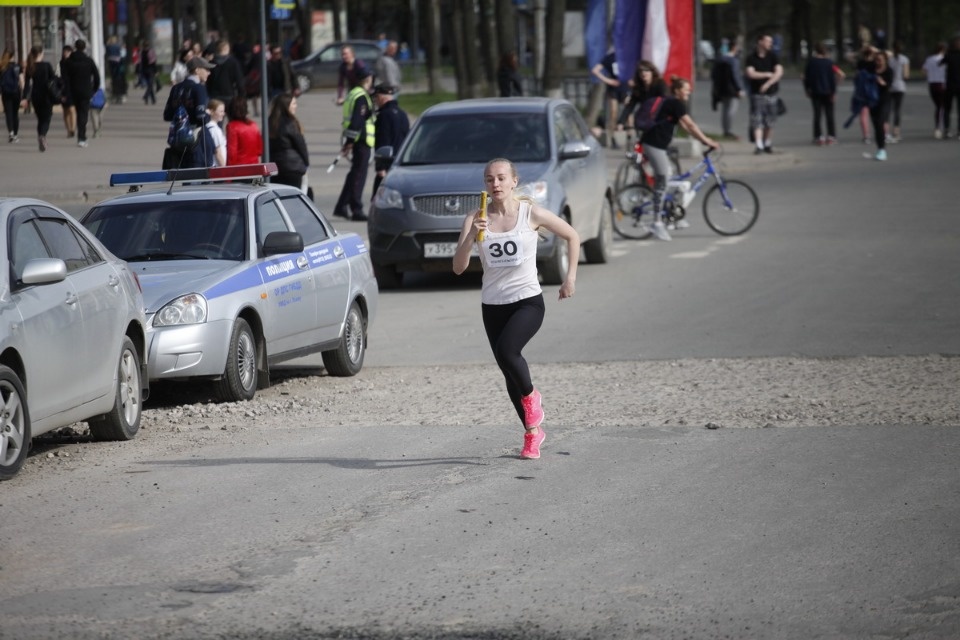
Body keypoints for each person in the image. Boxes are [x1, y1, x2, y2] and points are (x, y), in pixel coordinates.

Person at [451, 158, 580, 460]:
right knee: (509, 372)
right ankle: (533, 433)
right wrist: (470, 237)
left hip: (527, 301)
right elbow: (458, 268)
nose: (495, 184)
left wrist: (570, 278)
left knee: (508, 352)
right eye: (489, 179)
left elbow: (572, 236)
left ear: (513, 181)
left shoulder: (530, 213)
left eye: (500, 178)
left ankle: (532, 397)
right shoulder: (475, 218)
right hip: (493, 305)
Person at [640, 76, 720, 241]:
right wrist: (707, 141)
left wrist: (702, 140)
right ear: (677, 91)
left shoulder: (674, 105)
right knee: (663, 180)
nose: (688, 93)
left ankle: (674, 216)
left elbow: (686, 128)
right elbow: (690, 125)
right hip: (653, 145)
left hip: (660, 146)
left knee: (677, 181)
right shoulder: (675, 103)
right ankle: (657, 223)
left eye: (689, 90)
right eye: (686, 90)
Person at [333, 66, 375, 221]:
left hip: (356, 140)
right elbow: (357, 121)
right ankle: (356, 208)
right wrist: (349, 142)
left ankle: (342, 206)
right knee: (358, 176)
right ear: (368, 79)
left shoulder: (352, 94)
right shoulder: (361, 97)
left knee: (354, 174)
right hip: (361, 141)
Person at [162, 55, 215, 169]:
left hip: (178, 140)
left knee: (183, 174)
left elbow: (167, 115)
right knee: (199, 172)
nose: (209, 73)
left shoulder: (176, 88)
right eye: (206, 69)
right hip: (196, 139)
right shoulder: (199, 88)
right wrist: (208, 114)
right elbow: (201, 116)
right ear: (197, 70)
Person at [745, 34, 783, 154]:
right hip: (756, 94)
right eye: (768, 41)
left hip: (771, 93)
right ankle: (759, 145)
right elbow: (750, 73)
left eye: (771, 41)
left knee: (770, 120)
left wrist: (768, 84)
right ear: (760, 42)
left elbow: (779, 72)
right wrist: (766, 74)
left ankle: (767, 143)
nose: (770, 44)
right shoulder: (751, 57)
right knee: (757, 120)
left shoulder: (773, 56)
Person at [371, 83, 410, 197]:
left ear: (381, 97)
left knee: (378, 198)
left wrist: (380, 167)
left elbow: (383, 141)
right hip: (401, 164)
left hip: (388, 165)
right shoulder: (402, 114)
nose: (375, 101)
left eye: (376, 97)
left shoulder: (384, 115)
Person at [62, 39, 101, 148]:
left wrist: (65, 91)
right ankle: (81, 137)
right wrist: (94, 90)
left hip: (72, 91)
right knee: (83, 114)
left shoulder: (69, 62)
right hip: (85, 91)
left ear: (75, 47)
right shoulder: (88, 61)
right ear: (84, 48)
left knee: (75, 112)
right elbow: (97, 77)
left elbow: (64, 78)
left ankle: (79, 134)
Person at [267, 92, 309, 190]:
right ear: (286, 106)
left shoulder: (270, 122)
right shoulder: (290, 123)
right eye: (293, 104)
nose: (296, 106)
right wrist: (306, 163)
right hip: (292, 167)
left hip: (274, 167)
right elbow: (300, 145)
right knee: (292, 194)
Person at [617, 59, 667, 136]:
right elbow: (630, 106)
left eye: (646, 71)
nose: (643, 73)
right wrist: (621, 122)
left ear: (652, 72)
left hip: (660, 118)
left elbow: (666, 102)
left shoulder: (660, 84)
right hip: (646, 119)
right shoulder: (638, 88)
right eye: (641, 71)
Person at [803, 41, 839, 145]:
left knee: (817, 114)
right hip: (827, 91)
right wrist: (833, 92)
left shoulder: (811, 62)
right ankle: (831, 136)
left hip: (815, 91)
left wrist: (807, 89)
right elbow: (832, 79)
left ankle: (818, 136)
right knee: (829, 114)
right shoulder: (829, 62)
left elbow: (806, 77)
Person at [710, 38, 745, 140]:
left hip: (721, 88)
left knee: (725, 110)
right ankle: (728, 131)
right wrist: (739, 88)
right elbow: (735, 75)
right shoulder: (734, 61)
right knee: (731, 110)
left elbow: (713, 75)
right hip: (732, 89)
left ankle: (726, 130)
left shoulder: (720, 60)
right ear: (734, 47)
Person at [591, 48, 626, 148]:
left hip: (625, 88)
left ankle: (630, 138)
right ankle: (612, 138)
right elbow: (595, 70)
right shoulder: (610, 57)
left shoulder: (628, 55)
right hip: (613, 88)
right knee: (613, 112)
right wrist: (608, 80)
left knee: (628, 113)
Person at [25, 45, 55, 151]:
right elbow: (53, 78)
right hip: (46, 95)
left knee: (40, 119)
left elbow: (27, 84)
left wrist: (25, 98)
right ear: (41, 54)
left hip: (35, 96)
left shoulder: (30, 66)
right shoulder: (46, 65)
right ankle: (42, 136)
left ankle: (41, 138)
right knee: (46, 118)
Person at [868, 49, 893, 161]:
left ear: (885, 60)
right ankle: (879, 148)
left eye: (880, 60)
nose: (878, 62)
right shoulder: (871, 69)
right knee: (876, 125)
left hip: (884, 100)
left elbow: (888, 85)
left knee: (880, 123)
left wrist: (881, 82)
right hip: (872, 101)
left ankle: (882, 149)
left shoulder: (889, 70)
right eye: (876, 60)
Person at [207, 40, 246, 108]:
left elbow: (208, 81)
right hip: (229, 95)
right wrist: (241, 96)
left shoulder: (211, 62)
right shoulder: (233, 62)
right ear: (226, 48)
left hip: (214, 96)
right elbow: (239, 81)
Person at [226, 96, 262, 165]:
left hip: (239, 167)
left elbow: (232, 154)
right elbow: (259, 150)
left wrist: (228, 169)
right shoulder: (253, 125)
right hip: (254, 166)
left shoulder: (232, 126)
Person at [923, 42, 947, 138]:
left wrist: (930, 75)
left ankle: (938, 127)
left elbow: (924, 71)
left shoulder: (929, 59)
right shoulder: (944, 58)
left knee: (938, 106)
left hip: (932, 84)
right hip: (941, 83)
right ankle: (939, 127)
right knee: (941, 107)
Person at [887, 41, 909, 142]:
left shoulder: (889, 59)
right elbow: (906, 75)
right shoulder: (904, 59)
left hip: (890, 86)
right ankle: (896, 131)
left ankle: (886, 130)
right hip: (900, 86)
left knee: (888, 109)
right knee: (897, 109)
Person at [1, 48, 25, 143]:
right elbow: (21, 81)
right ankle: (15, 134)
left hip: (5, 92)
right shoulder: (17, 66)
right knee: (15, 113)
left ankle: (10, 132)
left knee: (8, 113)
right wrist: (23, 94)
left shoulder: (2, 67)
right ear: (13, 56)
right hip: (16, 92)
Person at [940, 36, 960, 139]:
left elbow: (940, 64)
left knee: (952, 109)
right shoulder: (949, 55)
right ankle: (947, 129)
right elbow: (940, 64)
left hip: (954, 85)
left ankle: (956, 131)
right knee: (947, 108)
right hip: (950, 85)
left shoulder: (949, 55)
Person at [59, 45, 76, 138]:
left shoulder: (73, 63)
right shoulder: (61, 63)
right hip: (63, 88)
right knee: (65, 110)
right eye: (64, 51)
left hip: (72, 88)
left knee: (72, 109)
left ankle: (73, 129)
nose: (65, 53)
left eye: (68, 51)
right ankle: (68, 129)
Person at [206, 98, 227, 166]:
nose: (223, 114)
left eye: (223, 111)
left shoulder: (207, 127)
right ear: (212, 112)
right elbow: (218, 153)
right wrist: (225, 169)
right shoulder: (215, 130)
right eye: (221, 111)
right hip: (218, 168)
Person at [140, 40, 158, 105]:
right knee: (150, 85)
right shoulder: (150, 52)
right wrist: (156, 71)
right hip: (150, 70)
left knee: (149, 85)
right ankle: (147, 96)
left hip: (146, 70)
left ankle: (150, 99)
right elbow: (153, 62)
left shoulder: (142, 52)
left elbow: (141, 63)